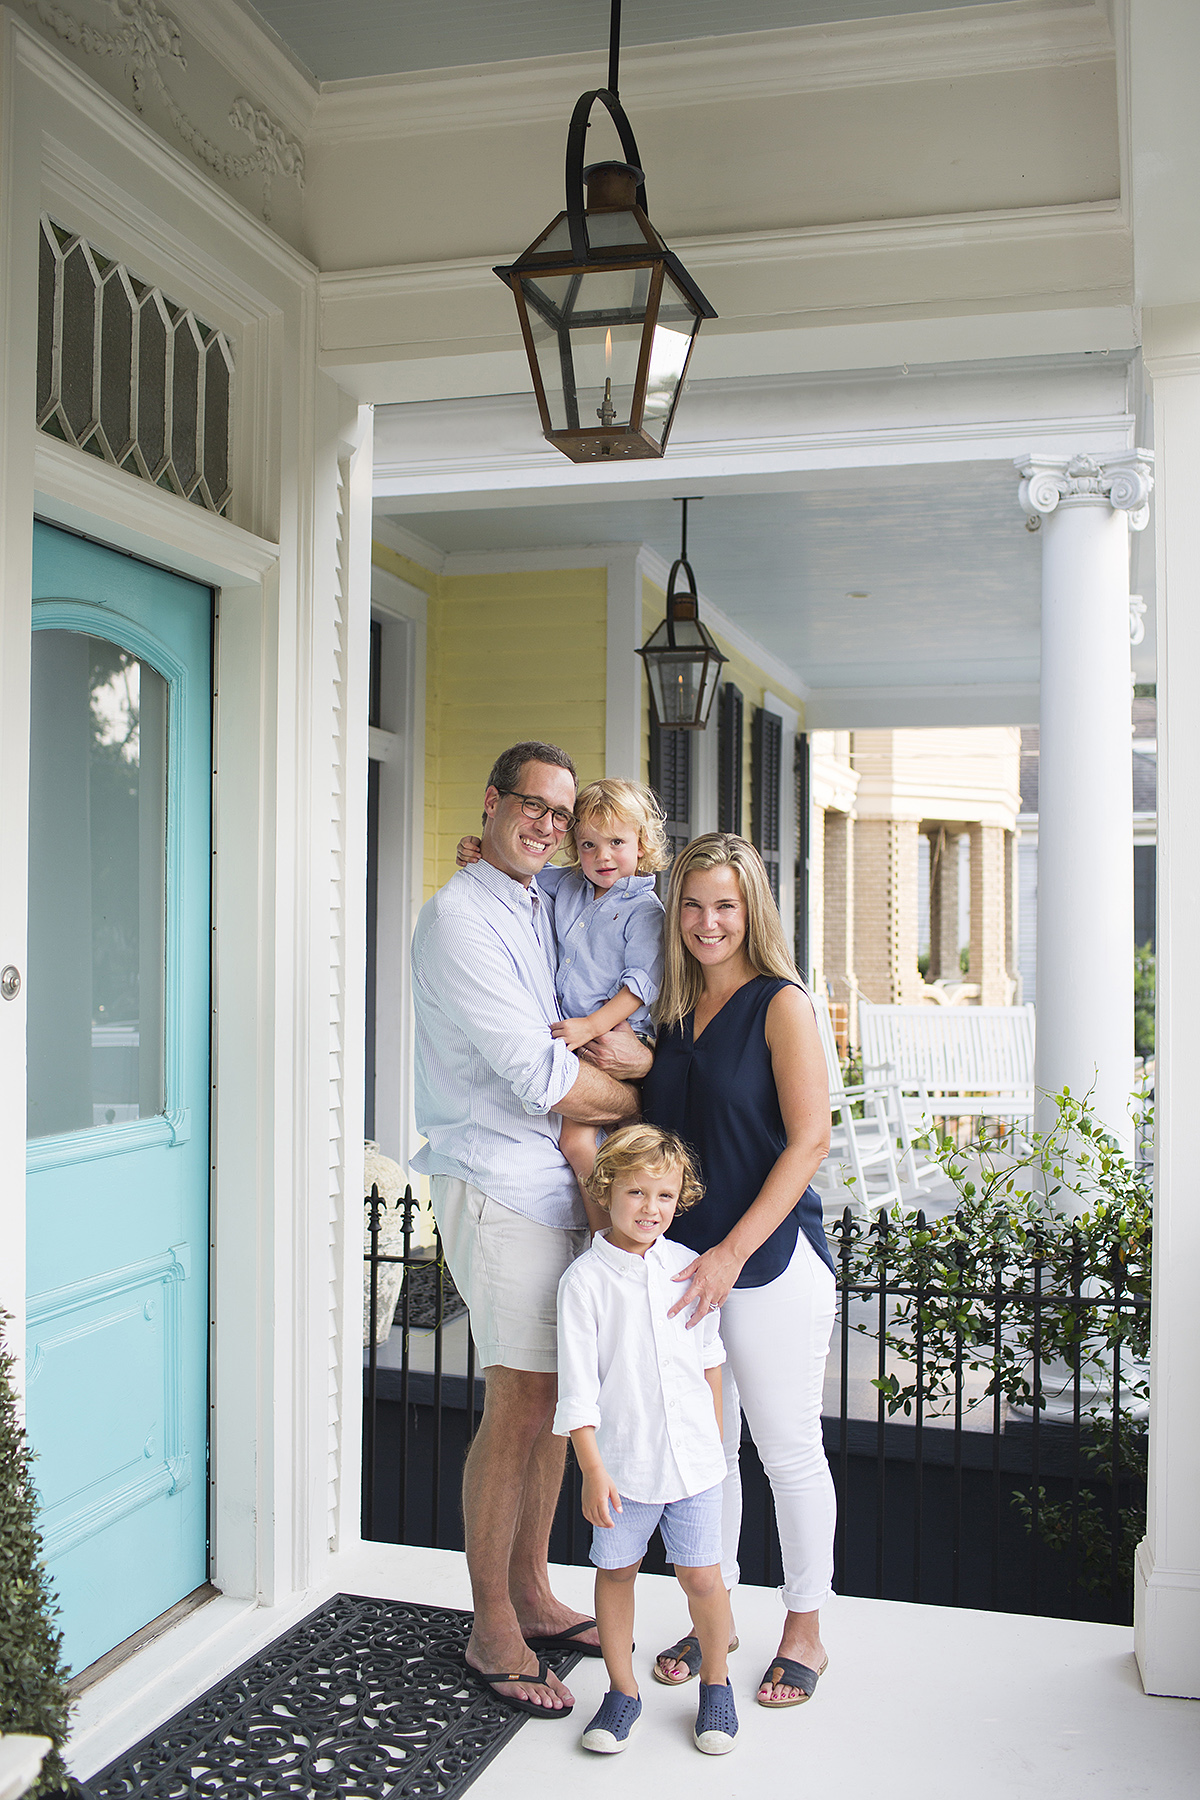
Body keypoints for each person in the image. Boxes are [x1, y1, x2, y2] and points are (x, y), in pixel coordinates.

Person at [411, 742, 653, 1717]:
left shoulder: (533, 889)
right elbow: (541, 1077)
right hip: (496, 1182)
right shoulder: (458, 919)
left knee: (557, 1398)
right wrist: (643, 1083)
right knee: (517, 1403)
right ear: (492, 800)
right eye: (533, 807)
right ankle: (490, 1628)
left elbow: (609, 879)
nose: (550, 825)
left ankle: (535, 1592)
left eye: (562, 812)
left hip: (554, 1186)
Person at [640, 832, 837, 1711]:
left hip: (768, 1263)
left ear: (751, 910)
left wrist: (730, 1253)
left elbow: (810, 1141)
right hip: (685, 1267)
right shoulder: (672, 1015)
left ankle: (805, 1627)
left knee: (787, 1451)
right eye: (691, 905)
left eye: (724, 905)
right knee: (707, 1457)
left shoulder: (780, 1004)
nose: (707, 922)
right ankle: (713, 1614)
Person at [553, 1124, 738, 1757]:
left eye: (664, 1195)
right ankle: (623, 1690)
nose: (651, 1209)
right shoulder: (584, 1283)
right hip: (623, 1468)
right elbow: (577, 1391)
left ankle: (716, 1682)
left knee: (703, 1578)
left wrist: (712, 1441)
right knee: (616, 1571)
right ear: (607, 1190)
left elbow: (709, 1360)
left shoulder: (688, 1268)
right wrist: (592, 1470)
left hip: (693, 1466)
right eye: (636, 1193)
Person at [456, 776, 669, 1192]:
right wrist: (478, 851)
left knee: (582, 1142)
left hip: (610, 1035)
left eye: (616, 843)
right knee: (607, 1142)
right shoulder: (570, 884)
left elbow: (640, 986)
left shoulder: (644, 911)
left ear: (641, 844)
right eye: (588, 845)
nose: (602, 856)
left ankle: (607, 1234)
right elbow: (521, 870)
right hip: (577, 1036)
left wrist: (592, 1026)